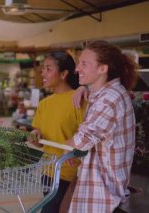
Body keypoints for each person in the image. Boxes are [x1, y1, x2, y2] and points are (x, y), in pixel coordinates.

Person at [67, 40, 137, 212]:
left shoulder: (109, 99)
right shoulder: (105, 93)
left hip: (105, 197)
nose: (77, 69)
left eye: (84, 63)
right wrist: (83, 88)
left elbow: (81, 142)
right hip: (101, 192)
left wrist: (65, 147)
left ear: (103, 69)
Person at [29, 51, 87, 213]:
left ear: (63, 74)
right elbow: (38, 134)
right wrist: (35, 137)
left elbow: (88, 135)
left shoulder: (78, 100)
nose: (43, 73)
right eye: (43, 69)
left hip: (70, 174)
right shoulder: (44, 104)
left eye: (48, 69)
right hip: (48, 172)